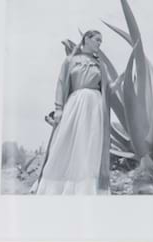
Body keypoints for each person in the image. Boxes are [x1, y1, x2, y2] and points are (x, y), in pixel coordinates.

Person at [34, 30, 119, 195]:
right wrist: (58, 108)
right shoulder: (69, 61)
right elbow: (60, 84)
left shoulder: (100, 64)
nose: (99, 44)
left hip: (94, 108)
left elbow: (107, 90)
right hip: (74, 105)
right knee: (64, 142)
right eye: (97, 40)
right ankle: (56, 187)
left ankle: (85, 188)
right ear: (86, 39)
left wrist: (119, 82)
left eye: (101, 41)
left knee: (89, 145)